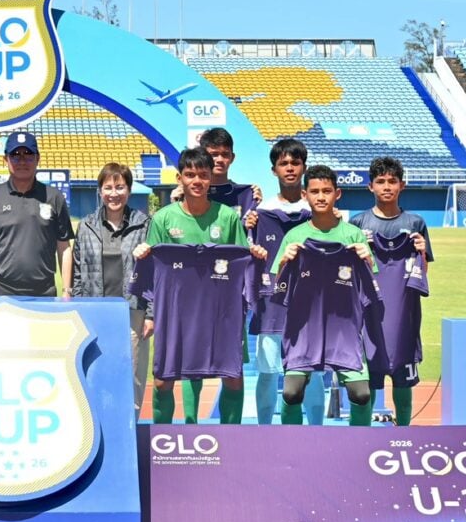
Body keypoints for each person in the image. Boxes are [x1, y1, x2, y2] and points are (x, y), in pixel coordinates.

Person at [133, 148, 264, 424]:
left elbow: (242, 263)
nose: (197, 181)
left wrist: (255, 255)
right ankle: (164, 439)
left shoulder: (227, 217)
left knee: (233, 375)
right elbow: (154, 269)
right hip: (177, 310)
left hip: (221, 310)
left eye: (203, 175)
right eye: (190, 175)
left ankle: (231, 438)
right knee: (163, 380)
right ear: (179, 178)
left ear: (210, 178)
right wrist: (143, 255)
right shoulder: (163, 219)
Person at [272, 165, 377, 426]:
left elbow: (371, 286)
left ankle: (360, 444)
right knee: (291, 392)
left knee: (362, 394)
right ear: (305, 194)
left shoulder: (352, 235)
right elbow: (278, 286)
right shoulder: (295, 236)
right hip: (303, 329)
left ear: (337, 194)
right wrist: (284, 262)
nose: (321, 197)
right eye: (315, 191)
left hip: (344, 330)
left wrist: (366, 259)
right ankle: (291, 444)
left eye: (327, 191)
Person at [248, 138, 327, 425]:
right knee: (268, 372)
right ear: (274, 170)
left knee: (314, 371)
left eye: (295, 163)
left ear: (304, 167)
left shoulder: (319, 210)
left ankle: (317, 432)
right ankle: (264, 432)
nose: (290, 168)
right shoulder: (260, 214)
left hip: (312, 305)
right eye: (284, 163)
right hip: (272, 304)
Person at [350, 156, 433, 427]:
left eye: (392, 181)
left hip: (403, 316)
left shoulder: (416, 223)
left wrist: (421, 252)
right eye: (380, 181)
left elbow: (423, 273)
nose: (387, 187)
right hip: (368, 315)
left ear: (402, 185)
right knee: (367, 389)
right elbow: (346, 272)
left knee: (403, 385)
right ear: (370, 186)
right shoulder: (358, 223)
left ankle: (404, 434)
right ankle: (362, 438)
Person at [71, 162, 151, 416]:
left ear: (129, 190)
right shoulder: (86, 226)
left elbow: (155, 273)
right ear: (100, 191)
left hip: (132, 313)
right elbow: (77, 272)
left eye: (120, 187)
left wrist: (151, 314)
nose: (114, 193)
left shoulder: (145, 224)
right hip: (95, 313)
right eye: (108, 188)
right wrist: (79, 307)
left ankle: (130, 428)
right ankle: (97, 428)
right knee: (95, 373)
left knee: (132, 377)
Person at [0, 131, 74, 297]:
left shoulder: (54, 197)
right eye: (15, 155)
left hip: (43, 293)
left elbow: (64, 248)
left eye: (28, 155)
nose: (22, 161)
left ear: (38, 158)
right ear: (6, 159)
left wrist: (67, 291)